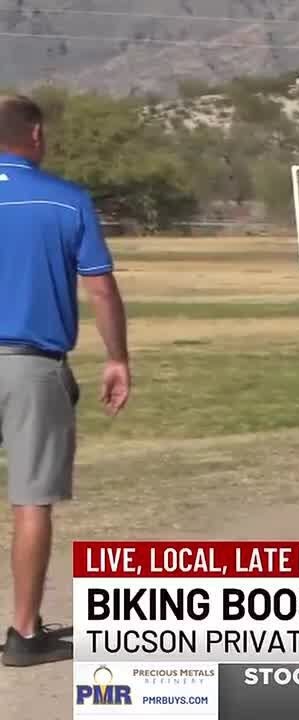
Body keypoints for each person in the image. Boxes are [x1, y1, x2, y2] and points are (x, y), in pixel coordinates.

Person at [0, 95, 131, 667]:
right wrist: (117, 357)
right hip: (32, 365)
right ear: (33, 134)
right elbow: (100, 288)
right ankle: (24, 633)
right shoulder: (66, 199)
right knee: (31, 500)